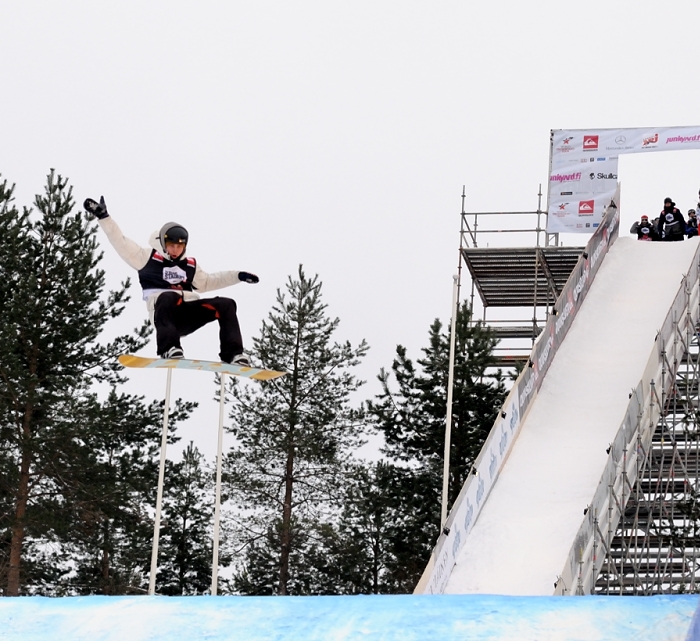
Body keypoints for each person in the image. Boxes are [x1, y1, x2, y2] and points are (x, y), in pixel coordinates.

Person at [84, 196, 258, 364]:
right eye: (171, 246)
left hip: (188, 315)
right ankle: (169, 348)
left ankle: (233, 354)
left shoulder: (190, 265)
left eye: (179, 246)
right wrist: (104, 218)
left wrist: (238, 276)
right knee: (168, 296)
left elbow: (208, 282)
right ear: (163, 243)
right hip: (164, 315)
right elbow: (121, 243)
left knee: (226, 304)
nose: (175, 250)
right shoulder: (146, 257)